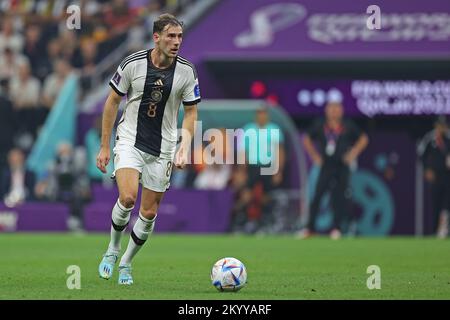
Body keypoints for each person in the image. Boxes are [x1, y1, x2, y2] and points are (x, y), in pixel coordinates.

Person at [96, 13, 200, 285]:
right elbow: (111, 103)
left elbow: (191, 113)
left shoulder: (187, 71)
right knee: (128, 197)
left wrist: (184, 146)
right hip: (130, 138)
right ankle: (112, 249)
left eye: (179, 37)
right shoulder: (132, 63)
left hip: (163, 147)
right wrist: (104, 146)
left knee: (149, 213)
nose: (177, 42)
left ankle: (127, 263)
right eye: (171, 36)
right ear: (156, 37)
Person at [300, 102, 368, 240]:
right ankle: (310, 228)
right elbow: (306, 138)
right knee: (317, 195)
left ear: (341, 110)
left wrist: (353, 153)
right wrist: (314, 156)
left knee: (339, 197)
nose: (334, 112)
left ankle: (337, 228)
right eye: (331, 108)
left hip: (342, 165)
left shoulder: (347, 125)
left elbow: (363, 138)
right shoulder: (320, 124)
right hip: (326, 165)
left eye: (337, 108)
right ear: (326, 110)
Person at [233, 106, 285, 234]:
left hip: (268, 166)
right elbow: (242, 151)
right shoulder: (248, 129)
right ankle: (243, 222)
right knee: (247, 194)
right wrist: (242, 170)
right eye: (259, 114)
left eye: (264, 114)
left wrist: (278, 171)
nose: (261, 116)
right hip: (252, 166)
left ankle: (265, 222)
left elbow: (280, 152)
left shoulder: (274, 129)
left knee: (266, 195)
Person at [417, 116, 450, 238]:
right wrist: (426, 170)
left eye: (443, 125)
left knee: (447, 205)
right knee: (435, 205)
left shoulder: (448, 138)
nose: (441, 128)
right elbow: (421, 155)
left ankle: (445, 231)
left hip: (447, 177)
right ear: (436, 126)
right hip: (435, 177)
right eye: (439, 125)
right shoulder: (430, 138)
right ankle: (435, 231)